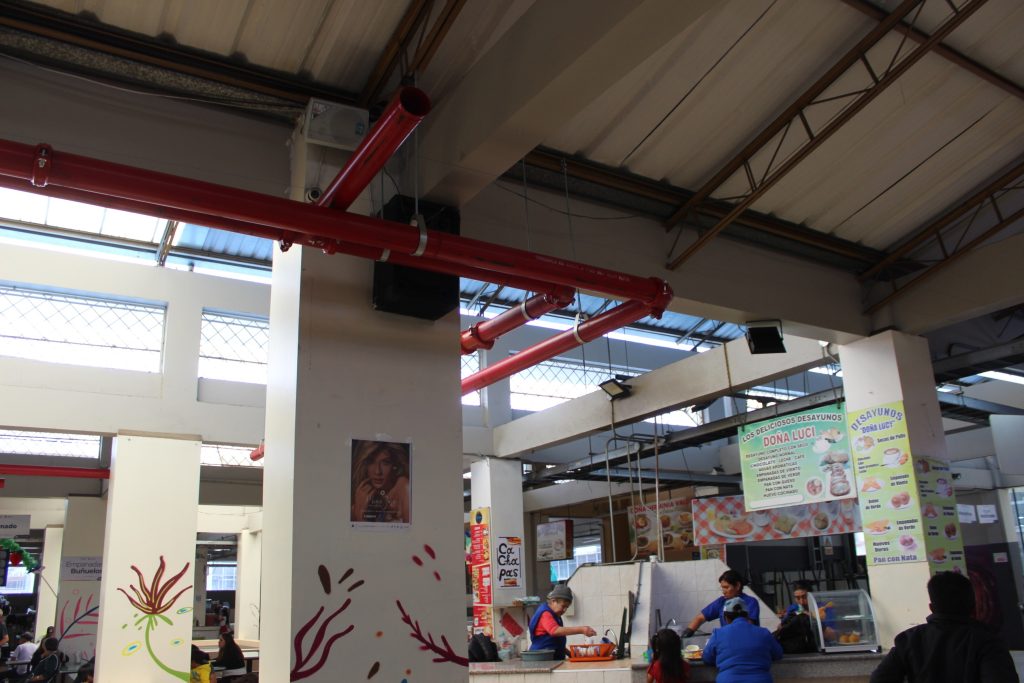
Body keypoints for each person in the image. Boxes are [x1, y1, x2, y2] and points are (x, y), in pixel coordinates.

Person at [869, 571, 1019, 683]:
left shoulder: (908, 639)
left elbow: (879, 679)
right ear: (973, 606)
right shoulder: (987, 641)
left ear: (931, 607)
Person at [702, 597, 782, 683]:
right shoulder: (764, 633)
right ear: (747, 615)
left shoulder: (718, 633)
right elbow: (778, 654)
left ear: (726, 617)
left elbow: (707, 658)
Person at [527, 584, 597, 660]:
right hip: (541, 659)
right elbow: (554, 631)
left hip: (552, 658)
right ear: (553, 601)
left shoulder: (556, 616)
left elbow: (556, 643)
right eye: (563, 606)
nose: (564, 610)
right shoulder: (545, 613)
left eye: (567, 607)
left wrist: (571, 654)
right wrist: (582, 629)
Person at [682, 569, 760, 636]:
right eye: (722, 588)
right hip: (727, 641)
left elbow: (748, 627)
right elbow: (700, 618)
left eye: (726, 587)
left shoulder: (751, 602)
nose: (723, 591)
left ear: (737, 586)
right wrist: (688, 631)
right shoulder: (721, 602)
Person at [350, 440, 411, 524]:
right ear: (365, 465)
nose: (378, 471)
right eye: (371, 462)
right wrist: (359, 510)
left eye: (385, 463)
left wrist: (359, 514)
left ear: (395, 465)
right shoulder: (361, 496)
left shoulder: (404, 487)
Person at [774, 580, 835, 653]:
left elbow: (832, 635)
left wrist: (811, 619)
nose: (801, 602)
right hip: (799, 650)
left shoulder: (824, 609)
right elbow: (781, 629)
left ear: (811, 596)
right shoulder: (793, 609)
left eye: (804, 597)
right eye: (797, 598)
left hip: (822, 648)